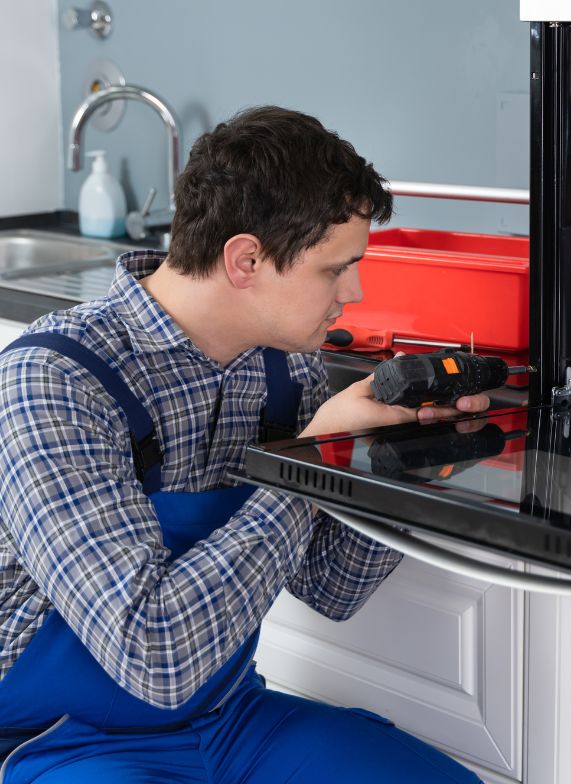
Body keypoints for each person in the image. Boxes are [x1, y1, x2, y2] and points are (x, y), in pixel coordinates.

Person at [0, 106, 488, 783]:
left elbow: (331, 586)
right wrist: (311, 462)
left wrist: (403, 459)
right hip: (56, 738)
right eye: (334, 269)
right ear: (246, 260)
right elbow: (154, 655)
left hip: (227, 717)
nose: (356, 291)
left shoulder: (286, 366)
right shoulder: (56, 379)